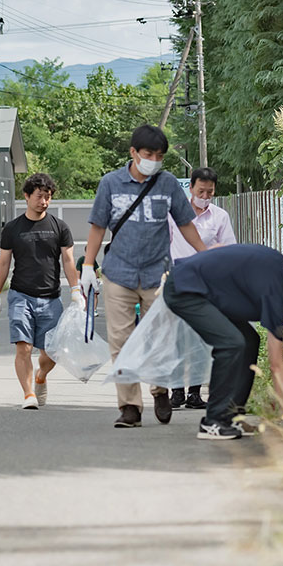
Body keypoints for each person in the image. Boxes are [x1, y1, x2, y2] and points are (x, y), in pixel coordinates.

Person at [80, 124, 208, 429]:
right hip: (118, 274)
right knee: (121, 343)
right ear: (133, 153)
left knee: (160, 339)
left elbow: (186, 223)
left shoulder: (167, 184)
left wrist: (205, 255)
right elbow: (98, 227)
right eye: (148, 153)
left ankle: (160, 390)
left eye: (159, 155)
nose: (153, 159)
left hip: (157, 273)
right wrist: (87, 266)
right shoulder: (110, 183)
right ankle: (129, 407)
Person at [161, 244, 283, 440]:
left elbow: (221, 250)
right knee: (231, 343)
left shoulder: (279, 273)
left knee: (249, 340)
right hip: (185, 289)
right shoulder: (277, 289)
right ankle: (213, 421)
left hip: (198, 286)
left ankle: (231, 416)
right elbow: (277, 365)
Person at [0, 173, 83, 409]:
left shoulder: (59, 227)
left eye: (48, 197)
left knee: (51, 351)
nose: (44, 201)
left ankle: (41, 376)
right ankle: (28, 394)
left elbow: (69, 260)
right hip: (21, 294)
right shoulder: (12, 229)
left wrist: (75, 290)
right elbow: (3, 263)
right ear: (27, 196)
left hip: (50, 297)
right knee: (24, 346)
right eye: (39, 196)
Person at [167, 166, 237, 410]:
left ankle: (194, 392)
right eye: (201, 191)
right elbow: (164, 244)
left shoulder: (220, 217)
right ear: (191, 188)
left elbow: (228, 249)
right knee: (176, 338)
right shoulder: (174, 214)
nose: (205, 196)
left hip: (206, 284)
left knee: (200, 338)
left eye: (210, 192)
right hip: (177, 278)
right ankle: (176, 391)